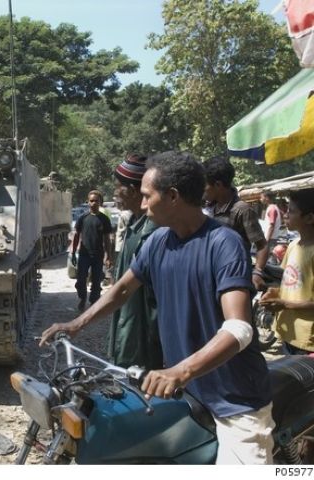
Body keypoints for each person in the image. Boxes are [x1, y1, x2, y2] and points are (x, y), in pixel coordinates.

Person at [43, 151, 274, 464]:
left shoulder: (224, 243)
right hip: (185, 393)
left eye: (147, 196)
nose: (142, 204)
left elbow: (240, 328)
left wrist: (179, 371)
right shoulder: (158, 242)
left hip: (234, 401)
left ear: (173, 196)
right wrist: (75, 325)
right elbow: (122, 289)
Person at [108, 154, 163, 370]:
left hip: (141, 327)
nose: (115, 192)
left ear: (133, 190)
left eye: (118, 186)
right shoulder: (134, 223)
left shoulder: (151, 230)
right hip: (127, 317)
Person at [203, 156, 270, 291]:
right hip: (212, 276)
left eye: (204, 185)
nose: (202, 189)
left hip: (234, 278)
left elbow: (262, 245)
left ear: (218, 185)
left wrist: (257, 273)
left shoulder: (241, 210)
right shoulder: (208, 208)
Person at [260, 188, 314, 355]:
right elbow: (290, 283)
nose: (285, 214)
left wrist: (286, 304)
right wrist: (274, 293)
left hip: (307, 340)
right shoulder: (292, 245)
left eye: (291, 211)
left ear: (309, 218)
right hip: (288, 332)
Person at [71, 190, 112, 312]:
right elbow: (77, 236)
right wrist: (73, 252)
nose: (94, 203)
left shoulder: (104, 219)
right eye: (91, 201)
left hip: (98, 255)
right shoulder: (83, 218)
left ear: (100, 202)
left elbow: (107, 240)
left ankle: (94, 303)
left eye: (96, 201)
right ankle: (82, 298)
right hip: (84, 254)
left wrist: (108, 256)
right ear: (88, 202)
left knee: (96, 280)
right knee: (81, 279)